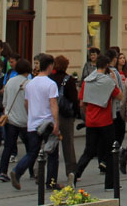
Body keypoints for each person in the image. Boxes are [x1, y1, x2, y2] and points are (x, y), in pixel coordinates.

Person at [11, 53, 60, 190]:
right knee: (52, 153)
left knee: (32, 152)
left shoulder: (30, 84)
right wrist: (56, 122)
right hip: (47, 123)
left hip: (33, 123)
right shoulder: (51, 84)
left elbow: (26, 103)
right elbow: (53, 104)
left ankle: (17, 171)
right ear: (50, 66)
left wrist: (32, 116)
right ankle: (51, 182)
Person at [72, 54, 120, 188]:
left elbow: (82, 103)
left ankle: (76, 174)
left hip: (91, 121)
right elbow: (120, 96)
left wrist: (89, 113)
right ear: (106, 67)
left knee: (88, 151)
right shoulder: (108, 81)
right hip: (105, 121)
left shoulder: (87, 81)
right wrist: (114, 82)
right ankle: (109, 184)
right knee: (111, 151)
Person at [0, 58, 30, 184]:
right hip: (25, 120)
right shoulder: (28, 83)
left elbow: (4, 102)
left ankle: (2, 171)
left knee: (8, 147)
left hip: (10, 119)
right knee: (30, 148)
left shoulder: (10, 82)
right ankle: (32, 171)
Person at [48, 56, 79, 185]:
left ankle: (40, 170)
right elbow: (74, 99)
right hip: (65, 116)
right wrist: (76, 114)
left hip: (51, 114)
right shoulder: (69, 80)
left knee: (50, 143)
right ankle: (71, 171)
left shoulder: (50, 79)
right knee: (68, 144)